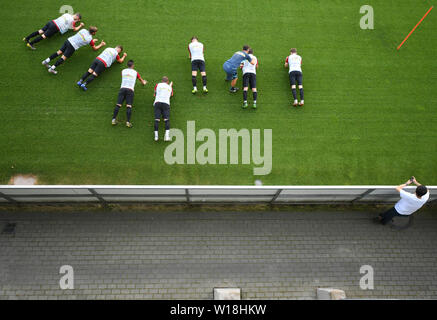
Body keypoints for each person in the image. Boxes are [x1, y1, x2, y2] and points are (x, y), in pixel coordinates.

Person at [112, 60, 147, 128]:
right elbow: (140, 80)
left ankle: (113, 120)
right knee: (129, 106)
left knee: (118, 105)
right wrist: (144, 82)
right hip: (130, 90)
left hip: (122, 89)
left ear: (127, 65)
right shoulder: (135, 72)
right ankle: (128, 122)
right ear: (133, 65)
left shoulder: (123, 71)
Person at [153, 77, 174, 142]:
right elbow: (171, 95)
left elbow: (155, 93)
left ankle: (156, 137)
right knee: (166, 120)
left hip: (157, 103)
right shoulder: (170, 87)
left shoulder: (158, 84)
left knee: (157, 120)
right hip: (166, 104)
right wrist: (170, 86)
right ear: (167, 82)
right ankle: (167, 137)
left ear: (162, 81)